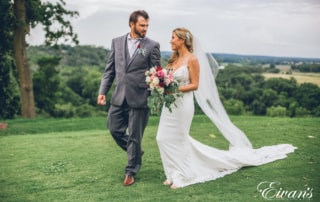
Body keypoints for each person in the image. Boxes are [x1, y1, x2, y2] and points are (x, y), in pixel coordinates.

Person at [156, 27, 296, 189]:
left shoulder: (192, 59)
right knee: (162, 138)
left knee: (179, 140)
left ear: (182, 40)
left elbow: (195, 84)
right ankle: (171, 173)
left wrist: (175, 89)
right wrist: (157, 82)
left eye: (173, 38)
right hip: (170, 106)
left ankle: (181, 175)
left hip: (183, 105)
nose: (170, 41)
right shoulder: (173, 60)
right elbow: (165, 78)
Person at [97, 10, 161, 186]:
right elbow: (110, 70)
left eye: (147, 25)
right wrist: (103, 91)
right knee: (114, 129)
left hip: (140, 97)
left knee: (134, 136)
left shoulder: (152, 45)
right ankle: (135, 152)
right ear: (131, 24)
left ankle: (131, 171)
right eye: (142, 25)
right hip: (119, 96)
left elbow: (157, 73)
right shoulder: (116, 42)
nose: (145, 28)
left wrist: (156, 94)